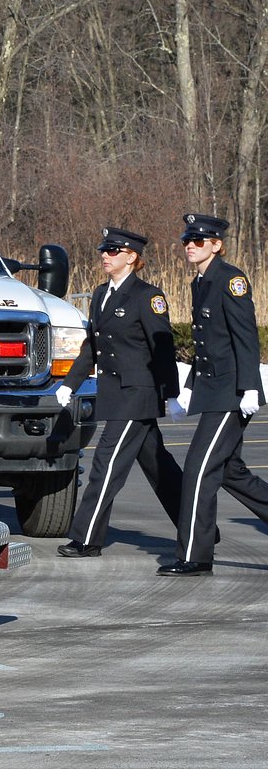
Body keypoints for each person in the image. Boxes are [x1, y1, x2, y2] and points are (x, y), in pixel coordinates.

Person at [55, 227, 182, 558]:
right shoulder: (100, 294)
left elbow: (163, 348)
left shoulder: (147, 296)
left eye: (113, 251)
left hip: (137, 394)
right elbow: (92, 347)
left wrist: (170, 393)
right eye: (103, 250)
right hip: (116, 394)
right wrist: (70, 383)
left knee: (105, 464)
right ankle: (201, 529)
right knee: (160, 468)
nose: (105, 255)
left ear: (131, 257)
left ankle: (85, 539)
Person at [159, 213, 268, 576]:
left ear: (216, 245)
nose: (190, 245)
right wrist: (188, 391)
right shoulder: (200, 283)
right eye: (187, 240)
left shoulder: (230, 280)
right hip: (214, 391)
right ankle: (196, 552)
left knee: (199, 468)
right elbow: (208, 347)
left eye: (199, 241)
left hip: (233, 394)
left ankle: (195, 555)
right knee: (230, 472)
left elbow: (245, 337)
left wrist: (251, 386)